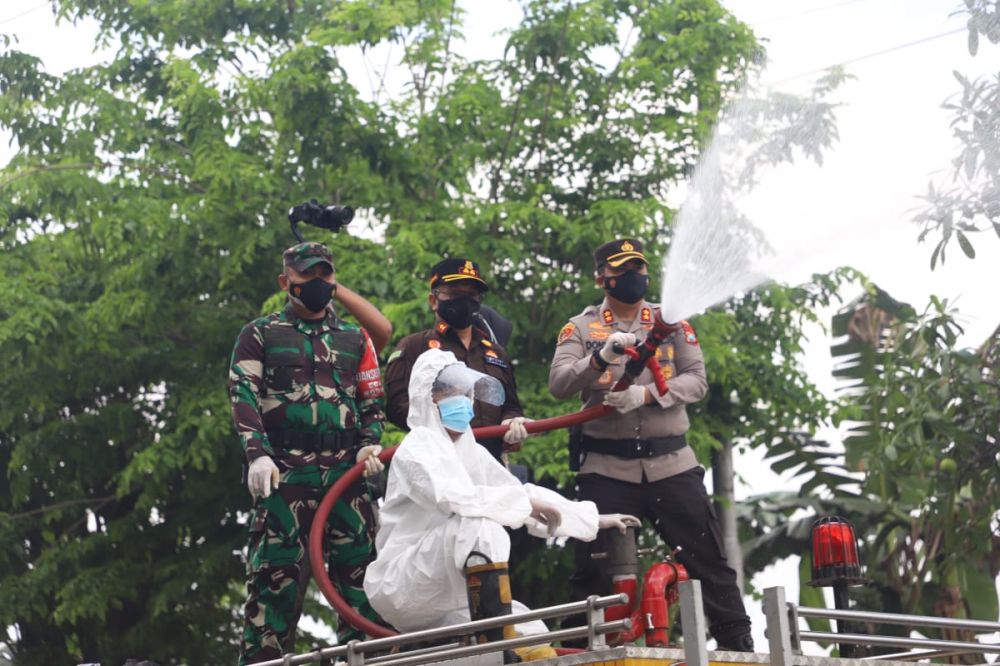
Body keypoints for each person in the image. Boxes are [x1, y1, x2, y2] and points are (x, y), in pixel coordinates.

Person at [548, 238, 754, 652]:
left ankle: (740, 648)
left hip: (671, 463)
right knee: (592, 570)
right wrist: (600, 358)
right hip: (607, 468)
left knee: (708, 560)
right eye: (623, 271)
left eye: (638, 269)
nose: (633, 277)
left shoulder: (671, 320)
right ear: (602, 278)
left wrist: (646, 395)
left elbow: (696, 380)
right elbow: (559, 385)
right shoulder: (583, 327)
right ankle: (580, 652)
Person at [365, 349, 638, 657]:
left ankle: (499, 644)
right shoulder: (417, 448)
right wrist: (526, 504)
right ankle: (498, 648)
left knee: (533, 634)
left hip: (453, 593)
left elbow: (518, 492)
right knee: (480, 526)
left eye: (467, 394)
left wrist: (591, 519)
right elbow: (456, 498)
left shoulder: (470, 450)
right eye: (453, 394)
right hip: (406, 582)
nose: (465, 402)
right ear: (430, 400)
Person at [228, 241, 388, 665]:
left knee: (361, 587)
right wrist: (256, 454)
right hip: (285, 474)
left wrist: (370, 443)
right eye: (306, 276)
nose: (317, 284)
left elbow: (372, 400)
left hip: (345, 476)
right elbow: (243, 395)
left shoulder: (355, 338)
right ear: (286, 282)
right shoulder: (260, 334)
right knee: (273, 588)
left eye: (324, 275)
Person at [384, 258, 527, 461]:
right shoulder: (415, 346)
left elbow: (511, 404)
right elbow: (395, 406)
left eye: (472, 295)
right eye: (455, 293)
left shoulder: (496, 352)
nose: (465, 301)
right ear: (434, 301)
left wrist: (511, 422)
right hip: (439, 460)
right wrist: (440, 420)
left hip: (491, 461)